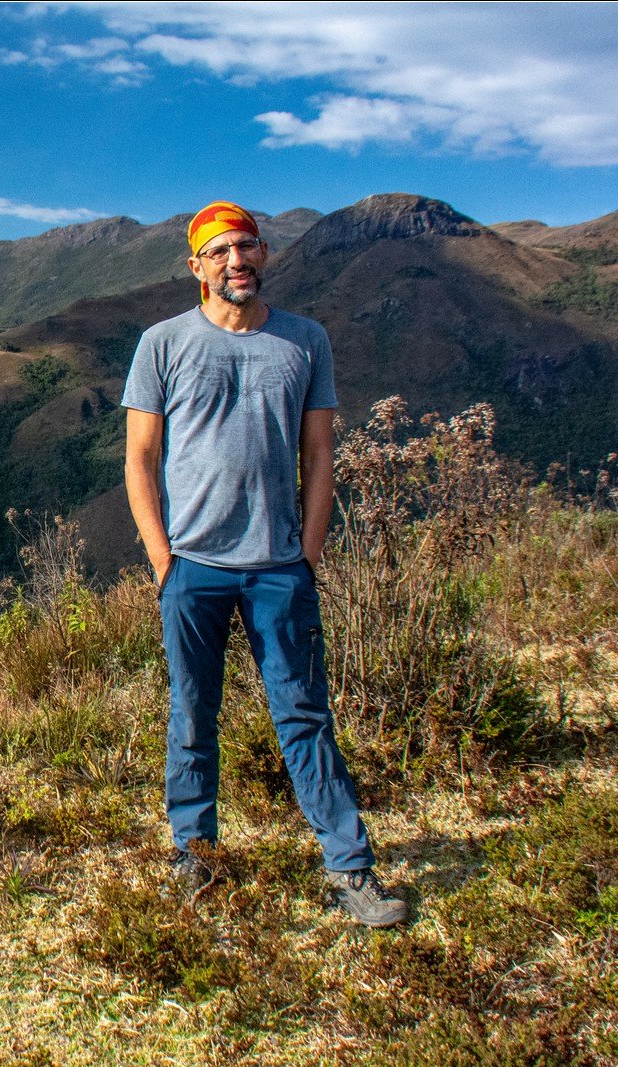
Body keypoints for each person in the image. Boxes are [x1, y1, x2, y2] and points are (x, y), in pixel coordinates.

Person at [120, 200, 407, 927]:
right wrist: (162, 560)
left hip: (279, 567)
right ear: (196, 267)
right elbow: (140, 458)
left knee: (304, 715)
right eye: (219, 252)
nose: (235, 261)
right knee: (192, 714)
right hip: (193, 567)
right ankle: (196, 857)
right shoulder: (162, 344)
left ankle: (350, 869)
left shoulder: (305, 341)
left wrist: (307, 554)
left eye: (245, 247)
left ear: (265, 254)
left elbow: (320, 454)